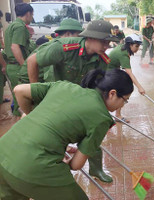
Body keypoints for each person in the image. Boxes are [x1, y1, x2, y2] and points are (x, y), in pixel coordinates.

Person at [0, 69, 133, 200]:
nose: (123, 104)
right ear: (112, 93)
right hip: (32, 166)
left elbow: (19, 90)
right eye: (125, 100)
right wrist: (64, 160)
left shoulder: (64, 86)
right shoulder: (102, 118)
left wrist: (32, 117)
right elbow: (76, 165)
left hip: (4, 151)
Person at [27, 20, 119, 183]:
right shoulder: (65, 47)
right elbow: (32, 61)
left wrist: (101, 115)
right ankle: (55, 171)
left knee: (93, 129)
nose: (107, 45)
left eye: (108, 42)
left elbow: (99, 88)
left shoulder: (103, 60)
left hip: (79, 96)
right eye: (104, 41)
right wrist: (36, 96)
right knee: (53, 135)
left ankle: (96, 169)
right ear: (90, 38)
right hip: (54, 95)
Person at [19, 18, 83, 84]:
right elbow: (49, 77)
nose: (80, 39)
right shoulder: (56, 48)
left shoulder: (61, 45)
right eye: (79, 36)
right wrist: (34, 90)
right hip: (28, 82)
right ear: (68, 34)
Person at [4, 3, 34, 116]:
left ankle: (17, 122)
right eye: (32, 15)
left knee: (17, 97)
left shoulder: (11, 26)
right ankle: (20, 124)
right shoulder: (20, 27)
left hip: (11, 65)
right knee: (23, 99)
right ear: (28, 14)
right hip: (17, 66)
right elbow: (14, 47)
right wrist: (24, 66)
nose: (32, 18)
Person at [108, 34, 145, 122]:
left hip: (113, 70)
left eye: (138, 46)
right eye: (136, 46)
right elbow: (129, 73)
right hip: (107, 72)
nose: (138, 48)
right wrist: (139, 87)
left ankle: (117, 114)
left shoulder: (123, 48)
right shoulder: (123, 55)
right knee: (123, 89)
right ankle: (117, 115)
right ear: (130, 45)